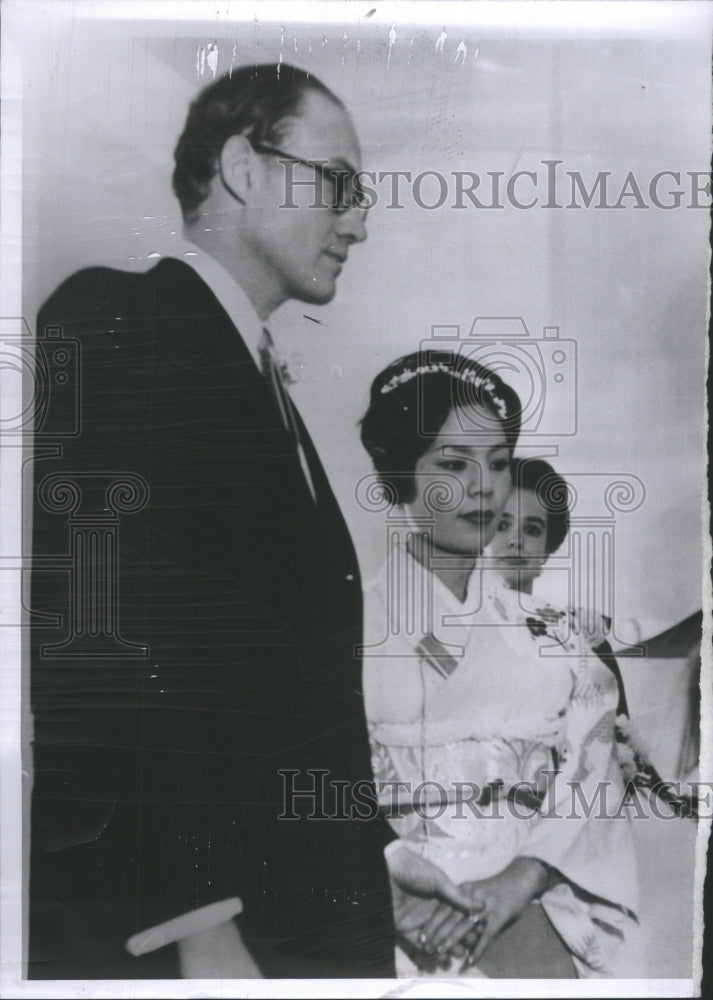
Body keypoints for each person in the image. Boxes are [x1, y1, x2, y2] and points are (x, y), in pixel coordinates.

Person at [28, 63, 471, 981]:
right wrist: (187, 918)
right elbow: (96, 644)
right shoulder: (125, 319)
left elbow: (277, 689)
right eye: (338, 182)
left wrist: (372, 857)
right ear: (242, 165)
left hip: (296, 923)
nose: (359, 220)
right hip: (201, 938)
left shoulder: (253, 373)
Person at [359, 353, 640, 978]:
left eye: (497, 463)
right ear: (398, 473)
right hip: (389, 906)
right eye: (453, 464)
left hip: (532, 904)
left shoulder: (558, 633)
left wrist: (518, 882)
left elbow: (593, 769)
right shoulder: (344, 622)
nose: (484, 486)